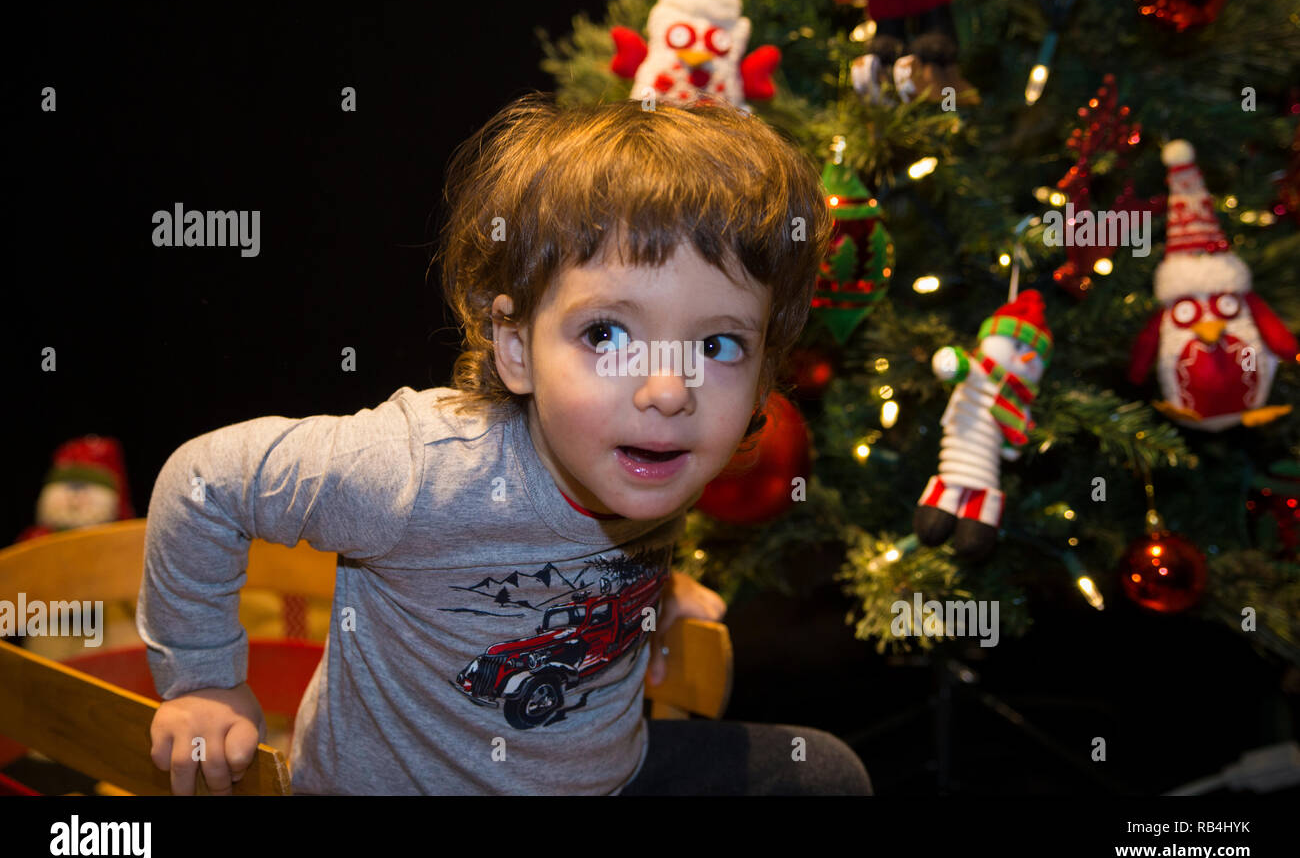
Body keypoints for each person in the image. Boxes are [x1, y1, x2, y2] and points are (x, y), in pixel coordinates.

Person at [140, 91, 873, 796]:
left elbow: (571, 559)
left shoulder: (644, 450)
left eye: (715, 343)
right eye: (606, 335)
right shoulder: (417, 469)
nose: (669, 390)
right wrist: (204, 679)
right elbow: (206, 482)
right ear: (516, 347)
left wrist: (659, 591)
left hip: (606, 777)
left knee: (823, 771)